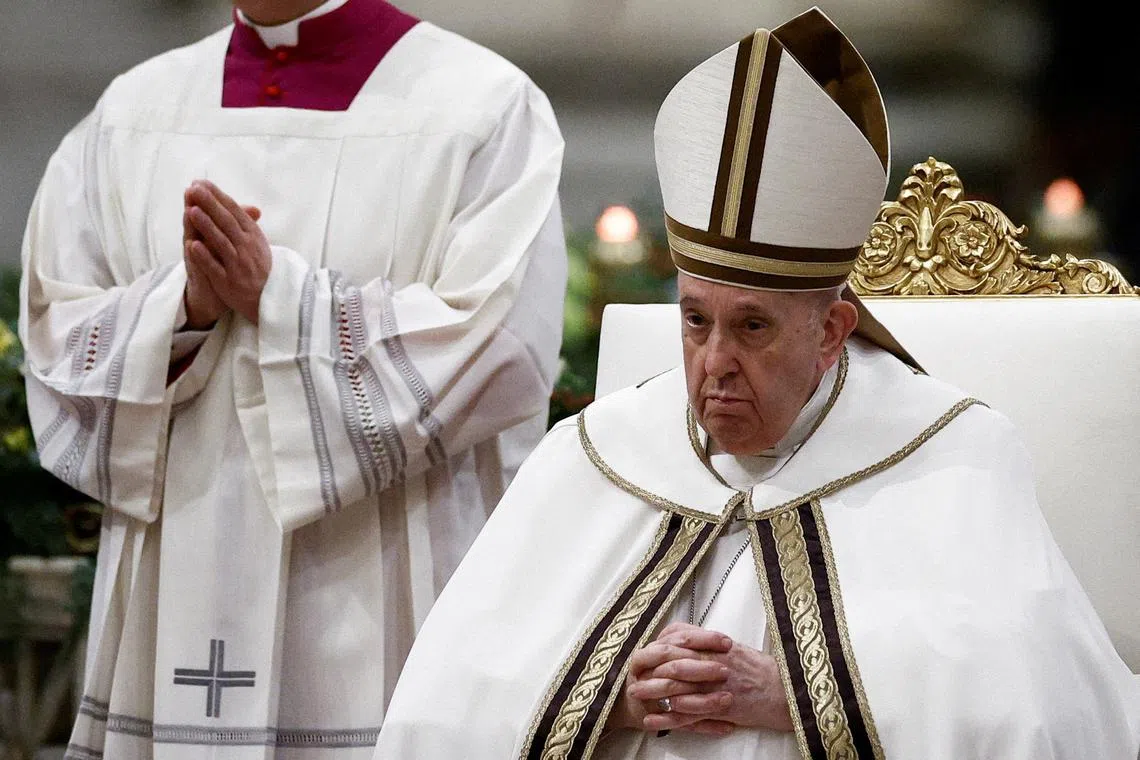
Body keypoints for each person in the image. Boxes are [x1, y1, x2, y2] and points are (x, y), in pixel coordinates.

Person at [371, 7, 1140, 759]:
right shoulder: (595, 453)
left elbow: (1041, 712)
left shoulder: (954, 455)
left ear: (833, 334)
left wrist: (790, 693)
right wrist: (607, 697)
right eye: (696, 321)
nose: (713, 365)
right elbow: (440, 709)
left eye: (753, 328)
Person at [18, 0, 567, 756]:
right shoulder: (136, 109)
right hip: (173, 577)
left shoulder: (482, 105)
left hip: (375, 600)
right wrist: (182, 309)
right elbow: (56, 334)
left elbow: (500, 345)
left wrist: (282, 302)